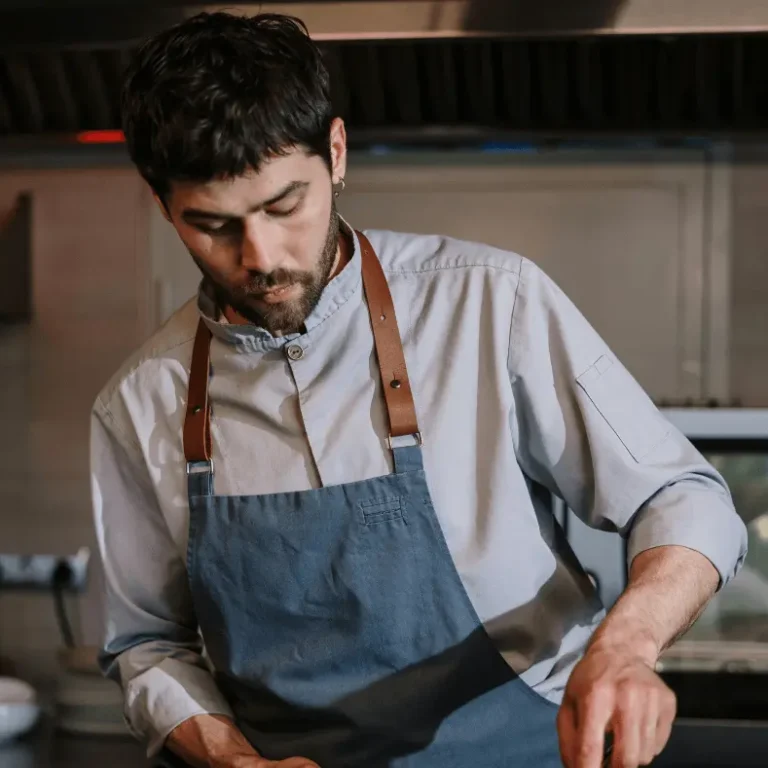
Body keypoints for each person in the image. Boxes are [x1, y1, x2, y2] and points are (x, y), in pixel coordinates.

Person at [90, 11, 747, 768]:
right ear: (163, 204)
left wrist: (627, 646)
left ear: (335, 153)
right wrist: (233, 760)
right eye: (212, 225)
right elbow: (147, 644)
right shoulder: (140, 403)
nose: (260, 257)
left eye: (283, 206)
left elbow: (683, 497)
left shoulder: (489, 303)